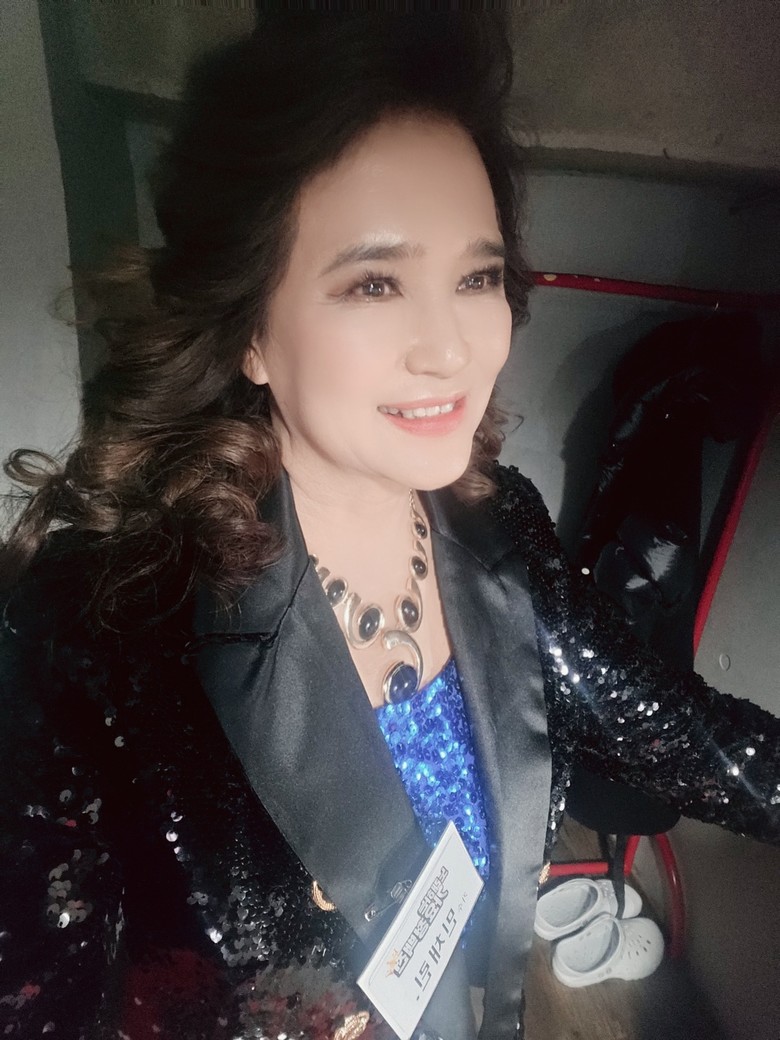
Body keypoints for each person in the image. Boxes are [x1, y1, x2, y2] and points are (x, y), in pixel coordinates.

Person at [0, 13, 777, 1040]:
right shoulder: (104, 635)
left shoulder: (500, 528)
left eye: (476, 276)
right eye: (374, 282)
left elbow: (678, 732)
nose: (451, 348)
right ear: (249, 330)